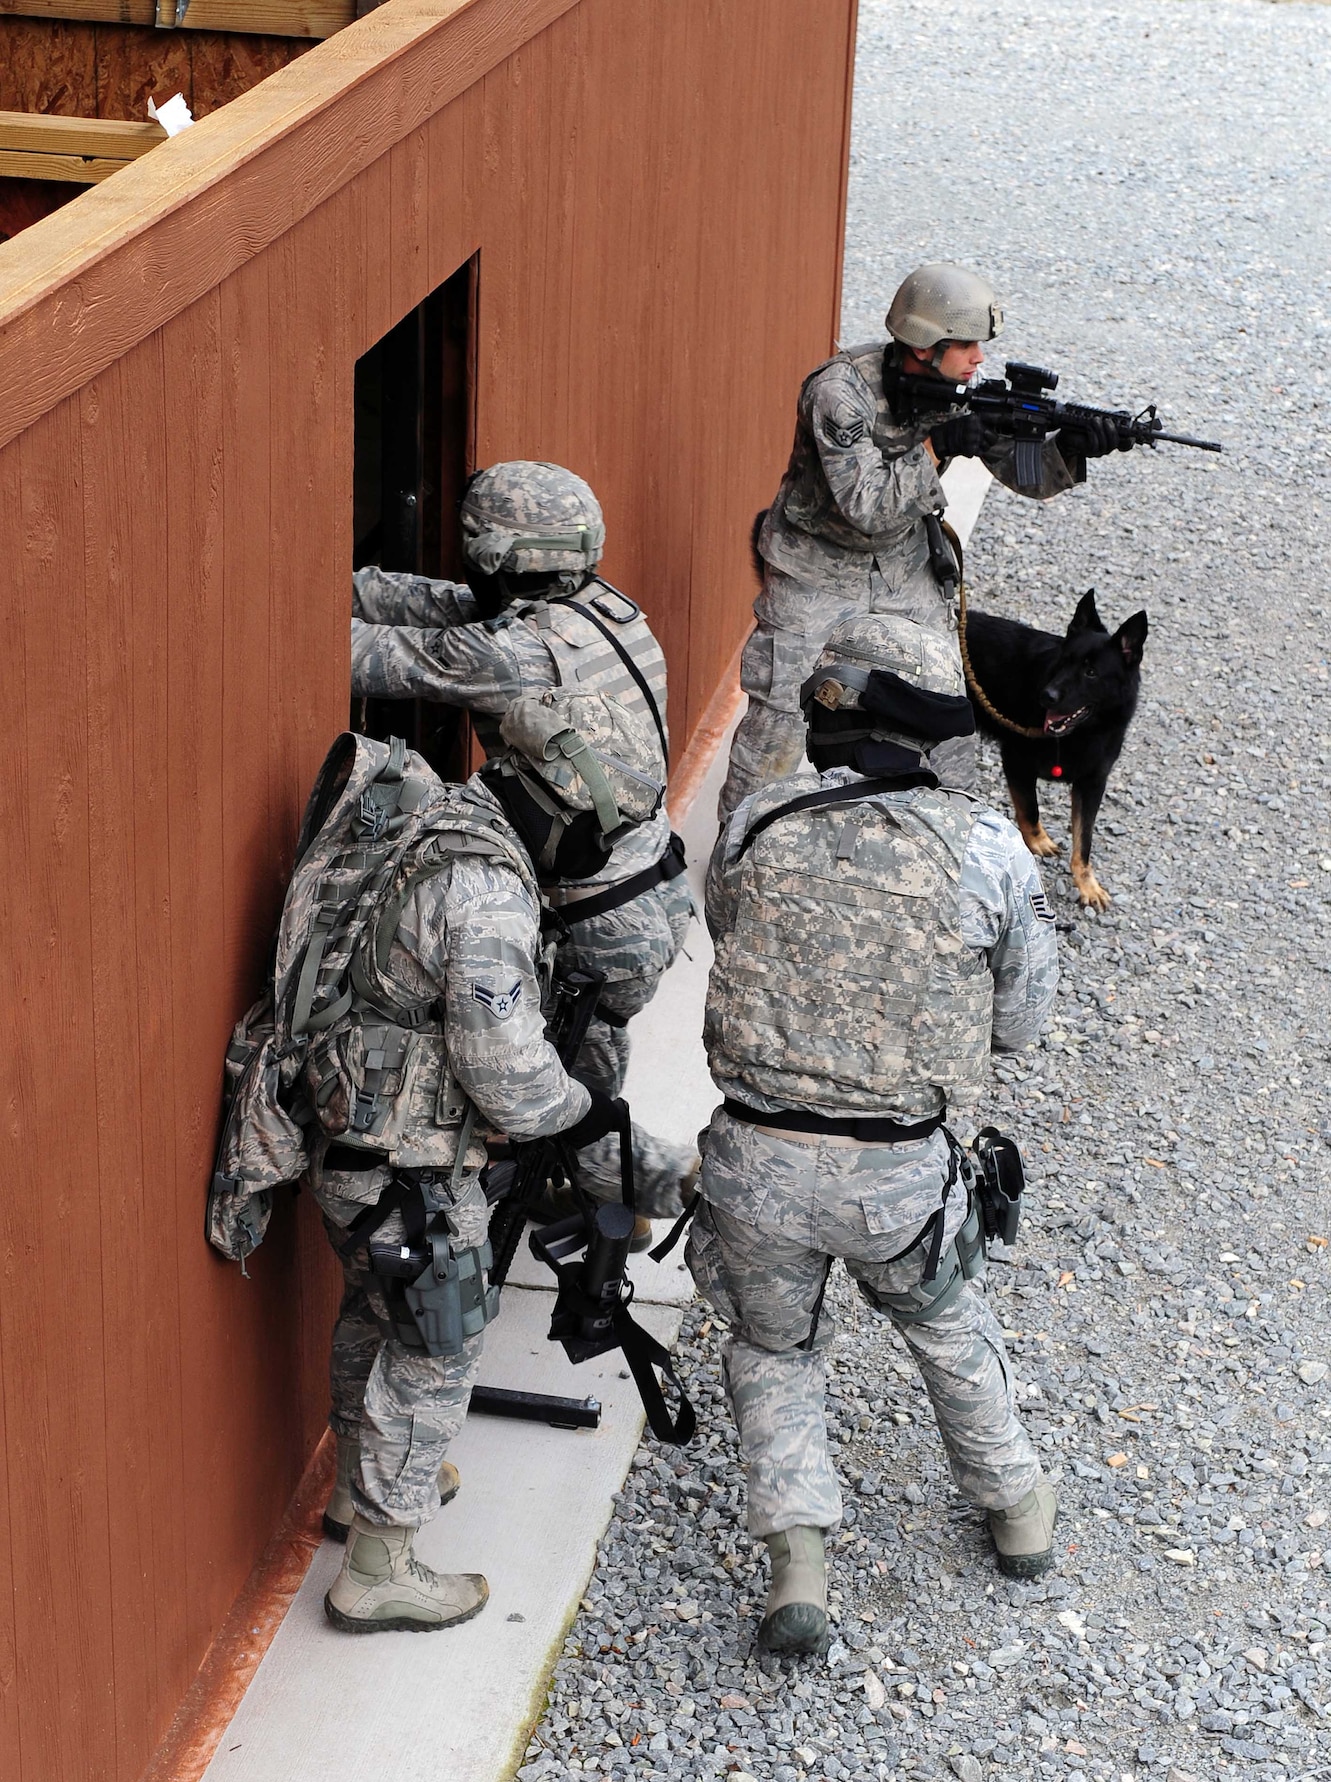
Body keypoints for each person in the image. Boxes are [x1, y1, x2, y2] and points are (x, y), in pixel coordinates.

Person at [214, 692, 658, 1633]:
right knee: (437, 1348)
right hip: (415, 1175)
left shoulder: (430, 816)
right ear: (546, 805)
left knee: (375, 1320)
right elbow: (512, 1084)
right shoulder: (489, 893)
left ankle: (354, 1492)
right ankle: (381, 1564)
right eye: (584, 829)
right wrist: (587, 1113)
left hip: (348, 1151)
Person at [688, 609, 1060, 1655]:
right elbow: (1023, 1022)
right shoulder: (982, 845)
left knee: (772, 1347)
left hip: (752, 1161)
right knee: (945, 1323)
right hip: (897, 1174)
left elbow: (730, 930)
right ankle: (1016, 1509)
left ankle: (796, 1564)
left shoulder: (758, 817)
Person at [350, 461, 696, 1231]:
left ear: (498, 551)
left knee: (554, 1086)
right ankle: (608, 1188)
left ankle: (668, 1187)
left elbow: (368, 655)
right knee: (575, 1069)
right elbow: (437, 605)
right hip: (645, 892)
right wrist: (344, 578)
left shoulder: (513, 654)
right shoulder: (603, 610)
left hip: (598, 919)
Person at [719, 261, 1128, 817]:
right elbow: (865, 505)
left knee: (942, 705)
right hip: (814, 569)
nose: (979, 360)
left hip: (903, 565)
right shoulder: (840, 394)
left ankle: (939, 836)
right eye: (966, 346)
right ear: (924, 345)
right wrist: (936, 448)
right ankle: (739, 847)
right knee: (780, 719)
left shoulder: (957, 390)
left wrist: (1073, 446)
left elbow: (1024, 474)